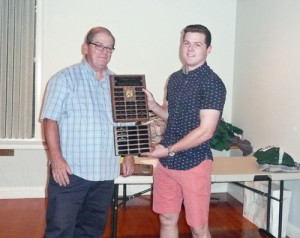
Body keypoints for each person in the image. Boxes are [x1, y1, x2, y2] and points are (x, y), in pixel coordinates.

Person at [40, 26, 134, 238]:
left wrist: (128, 156)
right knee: (60, 230)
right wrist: (56, 159)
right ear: (85, 48)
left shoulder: (119, 84)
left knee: (91, 231)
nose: (104, 51)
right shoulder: (64, 78)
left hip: (105, 173)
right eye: (98, 45)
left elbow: (125, 124)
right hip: (71, 172)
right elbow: (50, 120)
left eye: (109, 48)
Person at [142, 24, 226, 238]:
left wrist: (168, 150)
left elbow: (206, 131)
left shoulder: (213, 84)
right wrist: (153, 106)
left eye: (197, 44)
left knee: (198, 227)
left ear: (208, 49)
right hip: (167, 164)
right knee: (167, 219)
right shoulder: (175, 79)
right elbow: (173, 117)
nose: (190, 49)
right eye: (186, 43)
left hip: (194, 163)